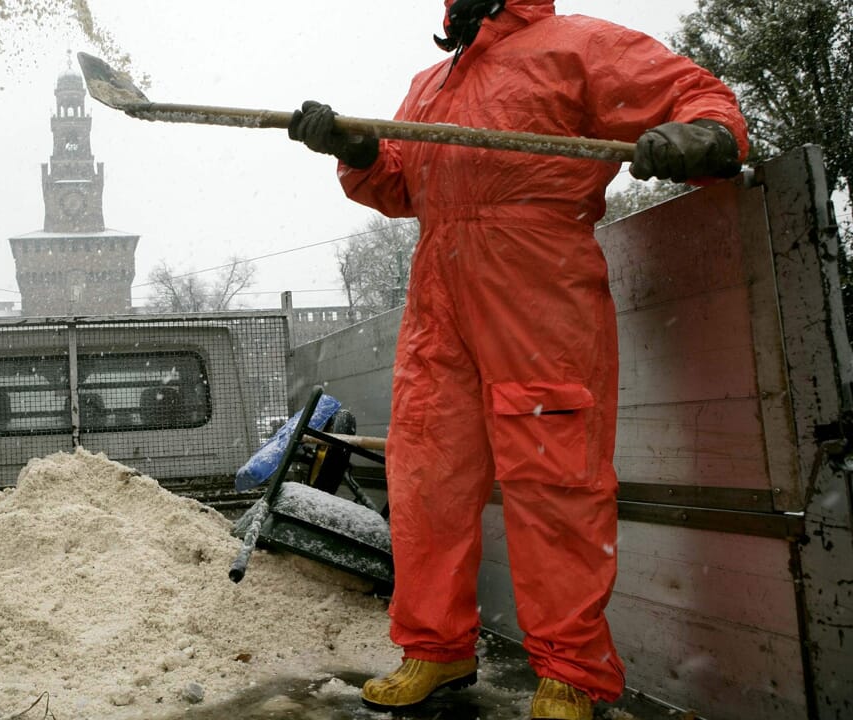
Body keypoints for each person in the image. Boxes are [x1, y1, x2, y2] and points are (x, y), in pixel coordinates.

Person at [287, 1, 746, 718]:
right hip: (440, 291)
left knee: (555, 478)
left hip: (540, 281)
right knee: (425, 478)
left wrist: (709, 136)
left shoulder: (576, 45)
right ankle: (434, 649)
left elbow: (698, 96)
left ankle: (570, 673)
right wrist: (359, 150)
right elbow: (404, 186)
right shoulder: (430, 84)